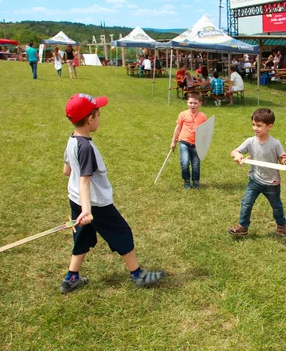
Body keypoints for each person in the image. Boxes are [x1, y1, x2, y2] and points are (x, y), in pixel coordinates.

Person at [61, 93, 165, 293]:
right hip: (94, 204)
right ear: (90, 119)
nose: (99, 118)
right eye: (98, 115)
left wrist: (81, 207)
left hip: (75, 199)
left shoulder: (72, 140)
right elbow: (84, 180)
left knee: (82, 237)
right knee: (122, 232)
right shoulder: (86, 147)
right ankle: (137, 274)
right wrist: (87, 210)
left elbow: (67, 171)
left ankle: (71, 277)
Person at [228, 108, 286, 237]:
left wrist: (283, 160)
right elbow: (234, 151)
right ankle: (243, 227)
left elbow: (281, 160)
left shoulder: (275, 143)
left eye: (259, 126)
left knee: (276, 206)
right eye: (253, 125)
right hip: (255, 180)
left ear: (269, 126)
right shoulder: (250, 141)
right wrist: (237, 155)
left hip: (271, 182)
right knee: (246, 202)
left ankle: (281, 225)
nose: (255, 128)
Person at [170, 92, 207, 189]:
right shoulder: (183, 114)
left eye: (195, 103)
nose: (192, 105)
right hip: (184, 142)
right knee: (185, 162)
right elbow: (178, 128)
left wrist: (203, 144)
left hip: (196, 144)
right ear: (187, 102)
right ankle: (186, 180)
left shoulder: (202, 116)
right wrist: (173, 142)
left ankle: (195, 181)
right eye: (190, 103)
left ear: (200, 104)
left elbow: (205, 132)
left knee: (196, 164)